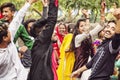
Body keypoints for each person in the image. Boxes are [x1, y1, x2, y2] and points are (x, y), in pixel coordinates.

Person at [71, 8, 120, 80]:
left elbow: (117, 36)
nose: (108, 30)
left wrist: (118, 18)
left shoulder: (112, 45)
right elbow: (92, 62)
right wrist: (78, 71)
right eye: (108, 27)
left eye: (113, 29)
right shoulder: (101, 45)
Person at [0, 0, 37, 79]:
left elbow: (17, 19)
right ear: (5, 38)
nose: (11, 31)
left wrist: (28, 3)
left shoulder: (9, 39)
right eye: (8, 31)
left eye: (6, 11)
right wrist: (18, 49)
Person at [27, 0, 58, 80]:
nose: (54, 32)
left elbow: (44, 19)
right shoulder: (41, 42)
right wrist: (53, 2)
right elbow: (52, 20)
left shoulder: (41, 43)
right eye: (51, 30)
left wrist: (45, 7)